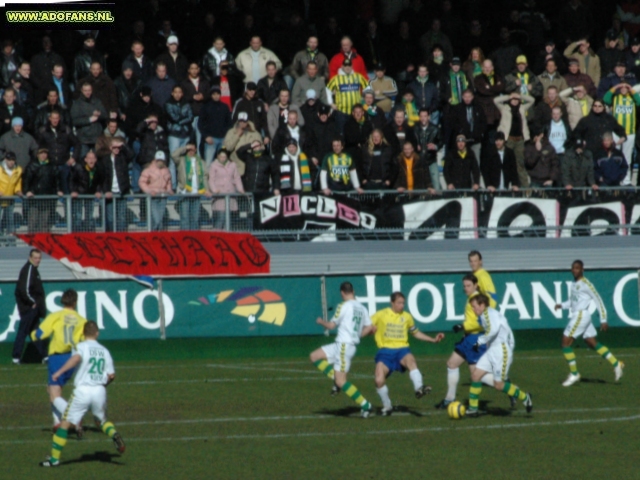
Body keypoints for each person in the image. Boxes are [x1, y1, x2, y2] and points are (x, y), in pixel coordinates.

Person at [39, 321, 125, 467]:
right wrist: (103, 386)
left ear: (83, 334)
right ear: (97, 333)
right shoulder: (104, 351)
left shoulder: (80, 346)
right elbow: (111, 375)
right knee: (100, 421)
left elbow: (77, 358)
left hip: (83, 391)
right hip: (99, 390)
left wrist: (59, 372)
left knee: (64, 424)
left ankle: (54, 460)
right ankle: (114, 434)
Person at [371, 292, 444, 415]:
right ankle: (387, 406)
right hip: (385, 351)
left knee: (411, 361)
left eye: (403, 303)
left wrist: (432, 340)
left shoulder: (407, 317)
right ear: (392, 303)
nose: (401, 306)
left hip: (402, 349)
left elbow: (415, 332)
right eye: (399, 303)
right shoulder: (381, 314)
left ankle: (419, 388)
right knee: (379, 381)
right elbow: (367, 326)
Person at [309, 281, 374, 418]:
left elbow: (331, 326)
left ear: (342, 293)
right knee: (314, 356)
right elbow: (370, 327)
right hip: (340, 345)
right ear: (353, 291)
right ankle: (335, 379)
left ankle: (365, 404)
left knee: (341, 381)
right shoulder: (362, 308)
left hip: (344, 346)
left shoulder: (344, 306)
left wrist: (321, 322)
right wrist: (358, 335)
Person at [554, 260, 624, 387]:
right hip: (580, 314)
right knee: (592, 342)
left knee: (565, 343)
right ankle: (616, 363)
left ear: (582, 270)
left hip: (581, 315)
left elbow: (598, 299)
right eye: (573, 268)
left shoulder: (587, 284)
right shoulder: (573, 283)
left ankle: (574, 374)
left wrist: (603, 319)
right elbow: (573, 301)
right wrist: (562, 305)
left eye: (577, 268)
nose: (574, 270)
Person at [435, 274, 498, 409]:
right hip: (467, 338)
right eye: (464, 286)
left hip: (475, 339)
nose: (466, 288)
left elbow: (482, 321)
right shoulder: (471, 298)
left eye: (468, 285)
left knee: (476, 375)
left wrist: (463, 326)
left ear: (476, 285)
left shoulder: (478, 300)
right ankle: (449, 399)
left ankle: (506, 386)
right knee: (452, 363)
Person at [466, 294, 533, 417]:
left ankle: (525, 397)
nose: (473, 309)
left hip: (501, 352)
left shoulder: (488, 314)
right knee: (475, 375)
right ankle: (473, 409)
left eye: (475, 307)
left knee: (499, 385)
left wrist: (479, 342)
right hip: (492, 350)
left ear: (482, 305)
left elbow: (494, 330)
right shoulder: (487, 314)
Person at [30, 289, 86, 429]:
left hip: (57, 358)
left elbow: (41, 333)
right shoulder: (81, 320)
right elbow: (85, 340)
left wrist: (32, 335)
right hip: (72, 358)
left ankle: (73, 417)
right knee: (51, 389)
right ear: (75, 302)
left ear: (63, 301)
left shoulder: (55, 316)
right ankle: (57, 422)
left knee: (54, 394)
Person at [12, 249, 47, 364]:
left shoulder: (34, 270)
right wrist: (33, 302)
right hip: (28, 308)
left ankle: (44, 355)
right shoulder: (29, 269)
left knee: (36, 331)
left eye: (39, 258)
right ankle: (16, 357)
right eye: (35, 258)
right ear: (30, 258)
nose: (38, 260)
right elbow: (23, 290)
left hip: (32, 308)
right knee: (23, 331)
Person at [602, 82, 640, 185]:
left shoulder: (632, 98)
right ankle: (616, 179)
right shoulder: (615, 98)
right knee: (615, 157)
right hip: (616, 133)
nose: (623, 89)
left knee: (627, 158)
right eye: (621, 87)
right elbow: (605, 99)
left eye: (625, 87)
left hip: (629, 132)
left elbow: (639, 101)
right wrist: (615, 87)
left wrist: (631, 89)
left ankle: (626, 180)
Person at [494, 93, 535, 187]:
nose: (515, 100)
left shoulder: (522, 108)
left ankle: (525, 188)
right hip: (508, 140)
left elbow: (532, 100)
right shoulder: (504, 108)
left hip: (520, 140)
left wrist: (520, 96)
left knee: (520, 164)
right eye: (513, 99)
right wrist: (509, 96)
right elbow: (495, 100)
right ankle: (508, 185)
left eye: (517, 99)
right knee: (507, 163)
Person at [23, 148, 62, 233]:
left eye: (45, 153)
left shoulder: (52, 166)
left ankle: (42, 244)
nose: (43, 155)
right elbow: (26, 181)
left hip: (47, 199)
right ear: (37, 155)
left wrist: (58, 190)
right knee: (33, 222)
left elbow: (57, 180)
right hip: (34, 200)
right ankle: (31, 243)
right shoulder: (32, 166)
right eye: (41, 153)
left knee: (44, 223)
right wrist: (27, 191)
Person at [172, 143, 210, 230]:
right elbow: (173, 155)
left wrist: (206, 189)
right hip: (184, 192)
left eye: (192, 149)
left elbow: (204, 177)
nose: (190, 151)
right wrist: (185, 147)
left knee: (195, 219)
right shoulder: (181, 160)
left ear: (196, 150)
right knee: (185, 218)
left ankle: (194, 239)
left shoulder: (201, 162)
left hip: (197, 193)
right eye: (189, 150)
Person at [327, 59, 369, 133]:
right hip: (341, 112)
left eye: (349, 65)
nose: (347, 67)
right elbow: (327, 91)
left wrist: (365, 100)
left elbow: (368, 88)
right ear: (342, 66)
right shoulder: (336, 79)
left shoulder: (358, 77)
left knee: (356, 132)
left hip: (356, 113)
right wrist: (331, 103)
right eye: (345, 65)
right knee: (342, 133)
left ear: (352, 66)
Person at [164, 85, 193, 189]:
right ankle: (173, 186)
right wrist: (182, 119)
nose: (177, 94)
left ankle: (184, 186)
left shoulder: (186, 103)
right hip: (174, 134)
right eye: (175, 92)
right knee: (173, 160)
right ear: (172, 93)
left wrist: (181, 121)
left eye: (179, 92)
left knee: (184, 162)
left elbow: (190, 117)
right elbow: (173, 117)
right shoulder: (168, 104)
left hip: (185, 134)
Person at [208, 148, 244, 230]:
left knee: (230, 220)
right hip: (220, 196)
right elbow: (211, 179)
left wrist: (240, 189)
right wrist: (214, 190)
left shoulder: (233, 165)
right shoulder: (213, 165)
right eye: (221, 157)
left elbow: (237, 178)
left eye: (224, 157)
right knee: (220, 218)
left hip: (230, 194)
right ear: (218, 156)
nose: (223, 158)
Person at [70, 82, 107, 159]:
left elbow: (105, 115)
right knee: (84, 160)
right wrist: (89, 119)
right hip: (84, 139)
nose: (87, 92)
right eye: (85, 90)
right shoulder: (77, 104)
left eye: (89, 90)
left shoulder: (97, 101)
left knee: (98, 160)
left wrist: (99, 115)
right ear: (82, 91)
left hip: (96, 137)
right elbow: (74, 121)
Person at [138, 150, 173, 231]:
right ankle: (153, 235)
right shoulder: (148, 170)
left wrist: (169, 189)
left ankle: (159, 237)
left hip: (163, 197)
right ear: (155, 160)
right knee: (156, 219)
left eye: (161, 160)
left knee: (160, 220)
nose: (160, 162)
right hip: (153, 197)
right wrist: (149, 191)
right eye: (158, 160)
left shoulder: (166, 170)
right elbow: (142, 182)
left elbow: (168, 182)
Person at [69, 149, 103, 232]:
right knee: (78, 215)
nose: (91, 161)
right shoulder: (78, 168)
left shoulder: (98, 169)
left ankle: (89, 234)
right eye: (89, 158)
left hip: (90, 194)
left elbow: (100, 181)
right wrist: (74, 191)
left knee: (90, 216)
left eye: (93, 158)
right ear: (85, 159)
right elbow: (71, 180)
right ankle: (76, 234)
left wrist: (98, 191)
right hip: (79, 194)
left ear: (95, 160)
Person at [199, 86, 231, 168]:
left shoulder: (225, 107)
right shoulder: (206, 107)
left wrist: (227, 136)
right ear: (211, 95)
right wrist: (206, 136)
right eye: (214, 94)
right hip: (211, 139)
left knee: (223, 163)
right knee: (209, 163)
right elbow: (201, 123)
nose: (216, 96)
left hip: (223, 139)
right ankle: (208, 180)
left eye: (218, 94)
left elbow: (229, 123)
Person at [0, 151, 22, 239]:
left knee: (10, 220)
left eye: (13, 160)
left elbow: (17, 183)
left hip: (9, 198)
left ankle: (11, 241)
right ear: (5, 160)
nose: (11, 162)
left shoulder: (18, 170)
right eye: (9, 160)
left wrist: (18, 190)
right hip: (0, 198)